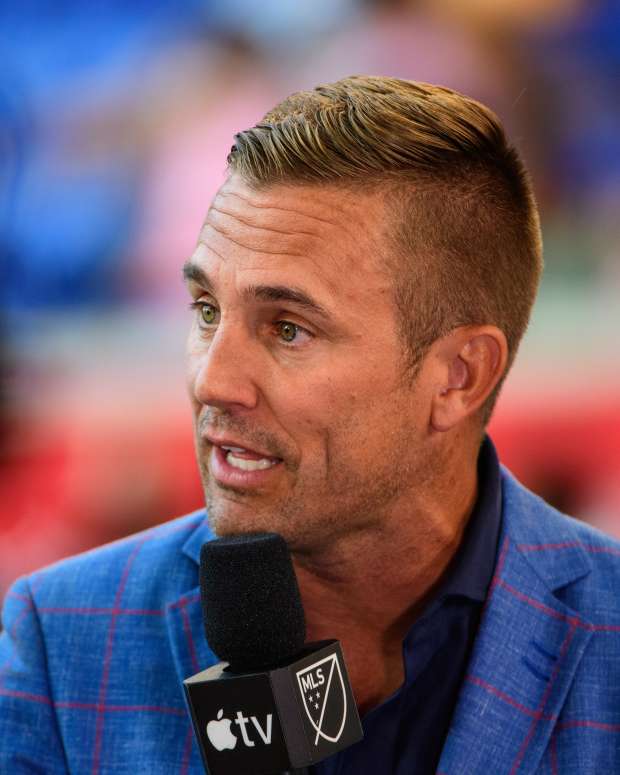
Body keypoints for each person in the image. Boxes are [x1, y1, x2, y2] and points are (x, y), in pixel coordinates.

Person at [1, 76, 619, 775]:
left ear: (458, 376)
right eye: (206, 310)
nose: (213, 380)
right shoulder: (62, 641)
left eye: (288, 328)